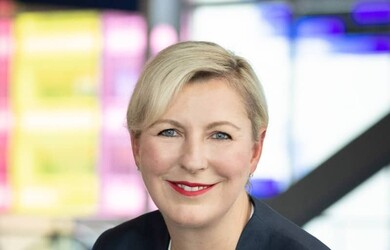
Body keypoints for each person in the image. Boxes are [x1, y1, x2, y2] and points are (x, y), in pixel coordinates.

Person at [92, 41, 330, 250]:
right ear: (136, 146)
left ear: (254, 150)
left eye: (220, 135)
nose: (193, 161)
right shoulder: (116, 245)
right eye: (169, 132)